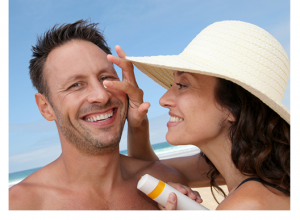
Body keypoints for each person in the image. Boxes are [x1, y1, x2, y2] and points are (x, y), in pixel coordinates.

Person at [9, 20, 200, 210]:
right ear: (45, 107)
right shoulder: (20, 205)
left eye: (106, 78)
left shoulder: (168, 184)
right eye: (75, 85)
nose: (101, 95)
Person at [123, 20, 290, 210]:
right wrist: (138, 123)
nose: (163, 99)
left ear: (231, 107)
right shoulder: (247, 167)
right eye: (172, 85)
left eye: (183, 85)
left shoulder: (246, 205)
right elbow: (150, 170)